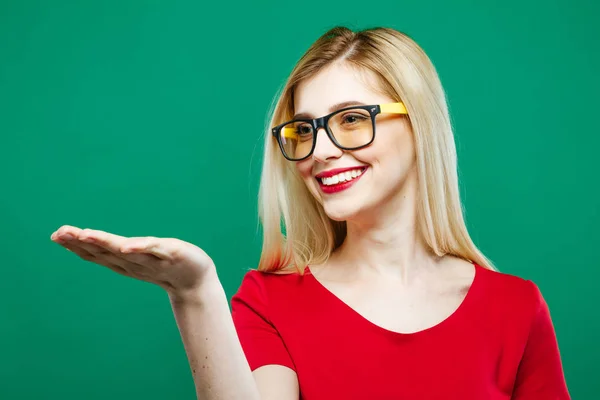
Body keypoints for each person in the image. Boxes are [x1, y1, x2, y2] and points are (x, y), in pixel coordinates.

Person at [50, 26, 570, 399]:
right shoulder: (269, 302)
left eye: (349, 120)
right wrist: (194, 294)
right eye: (304, 130)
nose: (320, 151)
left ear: (419, 125)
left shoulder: (516, 309)